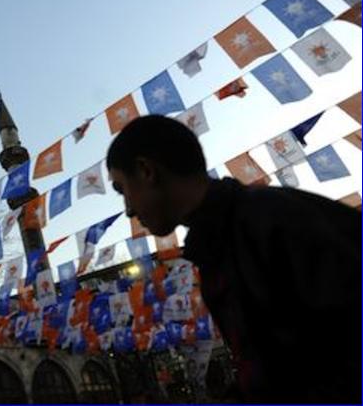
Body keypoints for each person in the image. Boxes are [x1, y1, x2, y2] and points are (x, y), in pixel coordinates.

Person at [106, 114, 361, 403]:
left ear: (146, 171)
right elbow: (271, 371)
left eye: (122, 189)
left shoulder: (272, 221)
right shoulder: (218, 247)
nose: (127, 210)